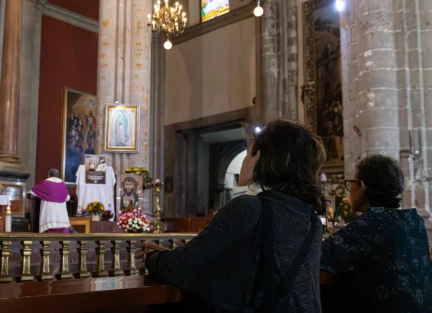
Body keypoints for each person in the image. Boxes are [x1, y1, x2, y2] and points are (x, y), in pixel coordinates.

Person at [137, 119, 325, 312]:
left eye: (248, 153)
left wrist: (153, 258)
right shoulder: (311, 219)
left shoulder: (249, 207)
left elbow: (184, 265)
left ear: (258, 158)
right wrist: (175, 255)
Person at [320, 155, 432, 312]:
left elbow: (319, 260)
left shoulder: (371, 222)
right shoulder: (415, 220)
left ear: (362, 186)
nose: (349, 190)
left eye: (351, 183)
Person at [30, 169, 70, 233]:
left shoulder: (45, 183)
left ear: (49, 175)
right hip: (61, 218)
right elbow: (67, 198)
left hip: (49, 217)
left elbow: (32, 192)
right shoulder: (63, 184)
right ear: (58, 175)